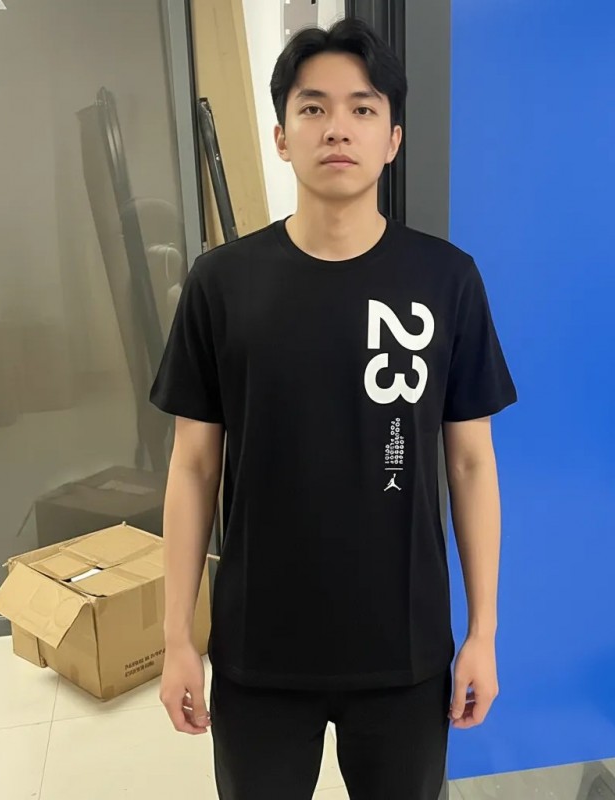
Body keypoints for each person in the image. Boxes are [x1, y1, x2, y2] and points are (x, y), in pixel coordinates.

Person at [149, 16, 517, 800]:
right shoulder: (221, 283)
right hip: (258, 651)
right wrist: (176, 636)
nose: (337, 127)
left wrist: (483, 633)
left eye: (362, 108)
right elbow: (193, 467)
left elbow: (471, 464)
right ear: (282, 137)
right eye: (313, 108)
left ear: (393, 139)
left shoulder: (446, 280)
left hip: (405, 652)